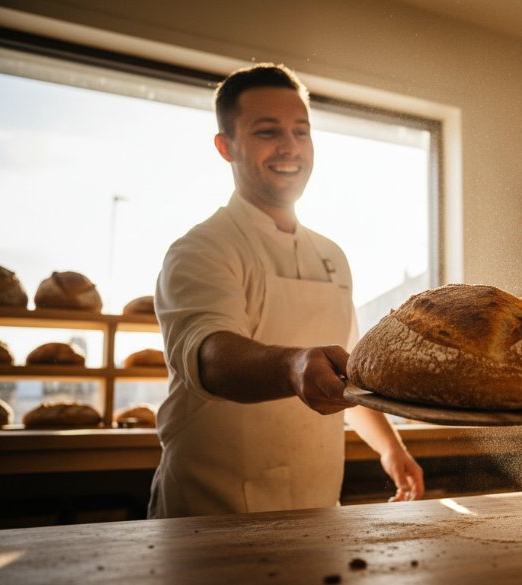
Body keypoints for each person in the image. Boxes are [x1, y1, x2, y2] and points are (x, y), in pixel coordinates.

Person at [148, 63, 424, 518]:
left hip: (316, 508)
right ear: (226, 146)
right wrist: (293, 366)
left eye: (301, 131)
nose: (289, 147)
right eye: (267, 132)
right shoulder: (201, 249)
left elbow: (347, 371)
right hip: (209, 513)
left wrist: (390, 450)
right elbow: (208, 356)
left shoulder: (331, 255)